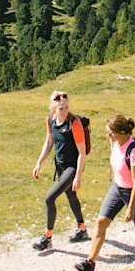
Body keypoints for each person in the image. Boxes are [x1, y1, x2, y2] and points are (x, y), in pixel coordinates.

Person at [74, 114, 135, 271]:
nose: (108, 136)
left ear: (122, 132)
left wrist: (130, 208)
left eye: (111, 133)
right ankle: (90, 263)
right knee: (101, 222)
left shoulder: (134, 150)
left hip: (133, 193)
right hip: (117, 188)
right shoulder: (115, 142)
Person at [31, 90, 89, 250]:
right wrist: (39, 163)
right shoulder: (50, 120)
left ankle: (47, 237)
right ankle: (82, 229)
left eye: (66, 107)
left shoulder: (74, 123)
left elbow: (82, 153)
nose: (65, 111)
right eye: (61, 108)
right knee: (71, 196)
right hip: (61, 166)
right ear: (53, 108)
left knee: (49, 199)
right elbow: (49, 142)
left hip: (73, 167)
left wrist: (77, 176)